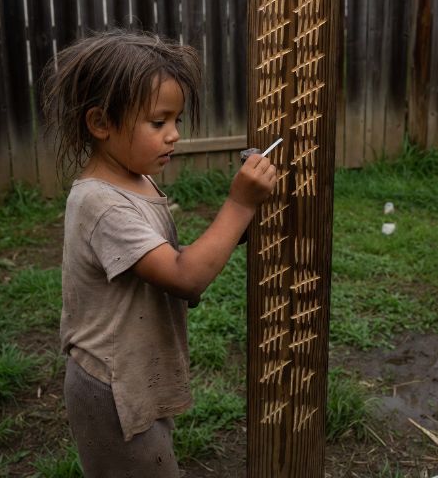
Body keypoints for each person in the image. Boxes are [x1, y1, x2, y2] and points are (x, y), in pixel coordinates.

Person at [42, 30, 277, 478]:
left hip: (133, 373)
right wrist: (240, 204)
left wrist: (237, 230)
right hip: (111, 387)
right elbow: (184, 276)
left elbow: (161, 262)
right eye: (157, 122)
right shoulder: (102, 204)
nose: (174, 135)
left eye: (177, 120)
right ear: (100, 123)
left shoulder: (135, 180)